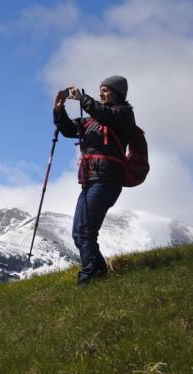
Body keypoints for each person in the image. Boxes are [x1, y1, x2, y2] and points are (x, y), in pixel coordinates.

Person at [53, 75, 135, 284]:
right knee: (79, 233)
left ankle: (89, 276)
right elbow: (69, 130)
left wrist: (82, 99)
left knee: (85, 231)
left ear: (118, 94)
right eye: (100, 90)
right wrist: (59, 111)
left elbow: (105, 114)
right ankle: (98, 270)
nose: (101, 93)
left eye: (105, 90)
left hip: (107, 180)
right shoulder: (91, 121)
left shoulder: (123, 115)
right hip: (90, 180)